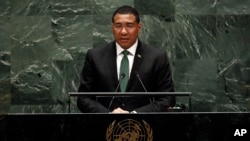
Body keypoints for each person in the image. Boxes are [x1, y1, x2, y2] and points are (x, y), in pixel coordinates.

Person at [77, 5, 175, 113]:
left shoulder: (156, 57)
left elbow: (168, 99)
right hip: (104, 126)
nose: (123, 31)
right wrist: (108, 114)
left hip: (145, 126)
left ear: (139, 27)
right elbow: (83, 98)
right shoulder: (95, 56)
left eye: (129, 25)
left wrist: (135, 114)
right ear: (112, 27)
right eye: (118, 26)